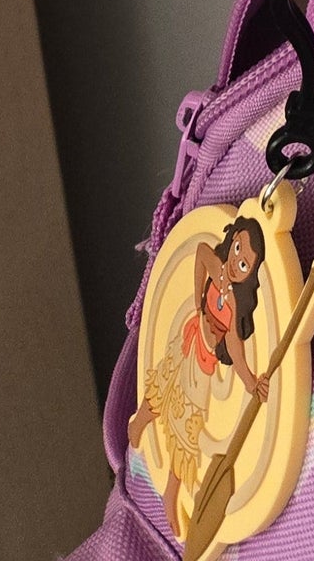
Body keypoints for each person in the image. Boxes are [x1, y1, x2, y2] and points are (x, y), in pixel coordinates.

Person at [127, 215, 269, 538]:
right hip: (189, 338)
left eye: (245, 264)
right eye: (236, 249)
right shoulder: (217, 266)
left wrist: (249, 382)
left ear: (252, 273)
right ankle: (138, 424)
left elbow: (235, 345)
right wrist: (196, 300)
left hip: (204, 367)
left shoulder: (234, 301)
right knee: (164, 384)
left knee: (186, 428)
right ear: (231, 240)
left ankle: (171, 492)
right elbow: (201, 252)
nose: (236, 262)